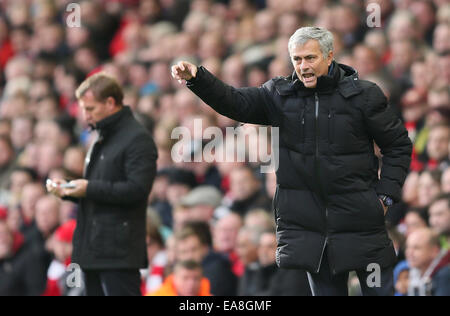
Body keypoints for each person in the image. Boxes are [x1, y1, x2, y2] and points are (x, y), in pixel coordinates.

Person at [172, 26, 412, 296]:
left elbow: (398, 145)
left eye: (310, 58)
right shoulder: (279, 95)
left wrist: (385, 197)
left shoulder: (364, 96)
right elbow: (234, 102)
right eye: (297, 59)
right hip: (314, 237)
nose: (303, 66)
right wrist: (198, 78)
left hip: (363, 227)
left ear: (329, 56)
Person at [47, 73, 158, 296]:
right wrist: (69, 189)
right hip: (93, 249)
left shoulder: (137, 139)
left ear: (110, 103)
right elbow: (101, 188)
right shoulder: (101, 136)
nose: (85, 116)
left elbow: (137, 190)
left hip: (118, 252)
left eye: (91, 109)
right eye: (83, 109)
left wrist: (87, 188)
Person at [405, 228, 450, 296]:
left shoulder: (445, 274)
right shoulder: (414, 273)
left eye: (416, 248)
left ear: (434, 251)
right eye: (408, 247)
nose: (409, 253)